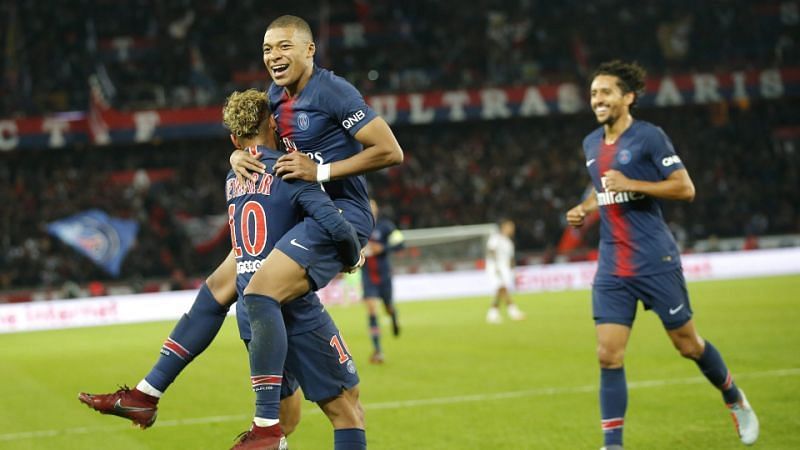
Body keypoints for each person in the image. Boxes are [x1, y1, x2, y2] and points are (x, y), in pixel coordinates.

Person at [80, 14, 402, 450]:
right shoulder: (274, 97)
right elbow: (262, 143)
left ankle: (264, 428)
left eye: (284, 46)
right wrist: (238, 158)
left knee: (260, 291)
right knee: (219, 284)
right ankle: (146, 394)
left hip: (339, 213)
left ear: (310, 50)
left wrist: (320, 170)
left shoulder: (335, 91)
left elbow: (390, 150)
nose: (274, 56)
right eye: (268, 49)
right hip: (296, 211)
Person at [565, 60, 758, 449]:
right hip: (612, 265)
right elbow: (604, 187)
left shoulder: (649, 137)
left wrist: (633, 184)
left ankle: (733, 397)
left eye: (605, 92)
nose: (597, 99)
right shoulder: (590, 144)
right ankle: (613, 445)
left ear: (628, 97)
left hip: (654, 259)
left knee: (688, 345)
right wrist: (586, 207)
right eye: (593, 94)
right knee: (608, 355)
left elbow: (685, 189)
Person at [360, 199, 404, 364]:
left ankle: (394, 317)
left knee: (388, 308)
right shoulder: (357, 226)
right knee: (371, 310)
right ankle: (378, 350)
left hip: (384, 275)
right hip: (368, 276)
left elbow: (401, 244)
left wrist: (383, 248)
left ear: (377, 210)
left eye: (373, 207)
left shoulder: (386, 226)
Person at [485, 219, 525, 324]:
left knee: (500, 290)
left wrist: (513, 271)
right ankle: (513, 311)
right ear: (504, 227)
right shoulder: (495, 238)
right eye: (510, 227)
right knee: (502, 288)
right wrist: (496, 266)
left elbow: (511, 259)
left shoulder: (509, 242)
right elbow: (491, 251)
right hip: (495, 267)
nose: (512, 230)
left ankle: (492, 314)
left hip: (505, 268)